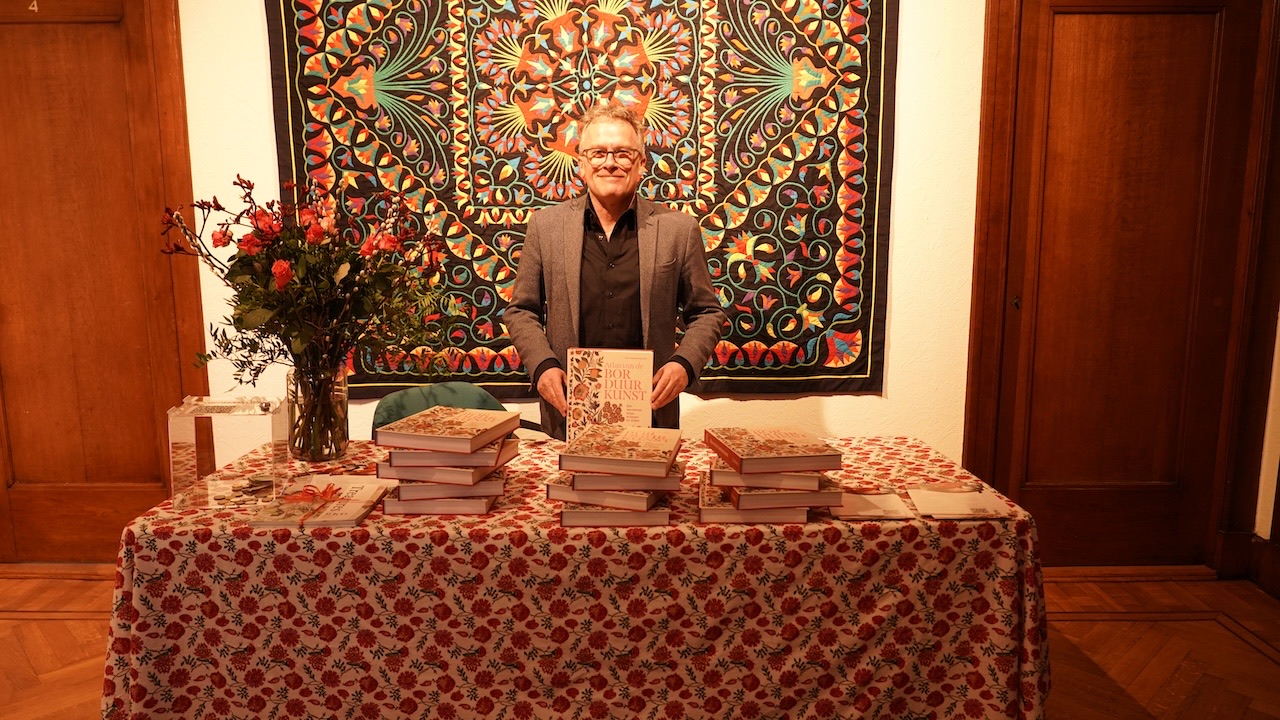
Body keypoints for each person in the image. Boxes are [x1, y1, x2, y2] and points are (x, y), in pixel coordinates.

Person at [503, 103, 727, 440]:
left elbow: (707, 312)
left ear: (640, 165)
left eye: (623, 153)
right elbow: (522, 310)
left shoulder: (678, 230)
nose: (610, 162)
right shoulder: (545, 226)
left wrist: (684, 365)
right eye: (597, 153)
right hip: (568, 412)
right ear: (581, 163)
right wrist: (543, 367)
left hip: (652, 414)